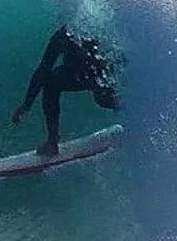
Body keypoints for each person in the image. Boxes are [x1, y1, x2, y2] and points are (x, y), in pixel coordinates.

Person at [10, 25, 119, 155]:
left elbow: (117, 57)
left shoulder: (96, 28)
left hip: (101, 74)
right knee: (50, 83)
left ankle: (137, 116)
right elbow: (43, 69)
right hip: (77, 75)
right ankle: (52, 142)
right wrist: (27, 104)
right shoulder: (62, 35)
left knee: (103, 99)